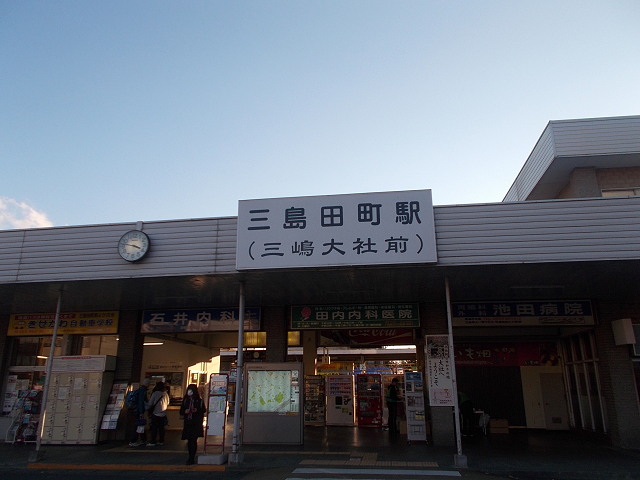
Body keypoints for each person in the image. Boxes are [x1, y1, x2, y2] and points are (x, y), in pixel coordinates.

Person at [180, 383, 206, 465]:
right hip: (188, 423)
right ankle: (190, 456)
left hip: (195, 423)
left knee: (193, 440)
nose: (189, 392)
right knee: (189, 440)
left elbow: (203, 410)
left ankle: (191, 458)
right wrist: (185, 412)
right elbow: (181, 411)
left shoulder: (199, 401)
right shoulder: (185, 400)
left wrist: (196, 410)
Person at [147, 381, 169, 446]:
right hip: (163, 413)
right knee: (161, 428)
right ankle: (161, 440)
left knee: (154, 428)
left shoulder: (155, 393)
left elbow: (150, 403)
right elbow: (168, 402)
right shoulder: (165, 394)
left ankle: (153, 441)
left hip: (155, 413)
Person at [129, 378, 150, 447]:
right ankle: (133, 440)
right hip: (138, 410)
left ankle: (143, 439)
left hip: (136, 409)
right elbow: (141, 402)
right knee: (138, 425)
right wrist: (141, 412)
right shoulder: (143, 391)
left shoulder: (139, 390)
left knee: (140, 424)